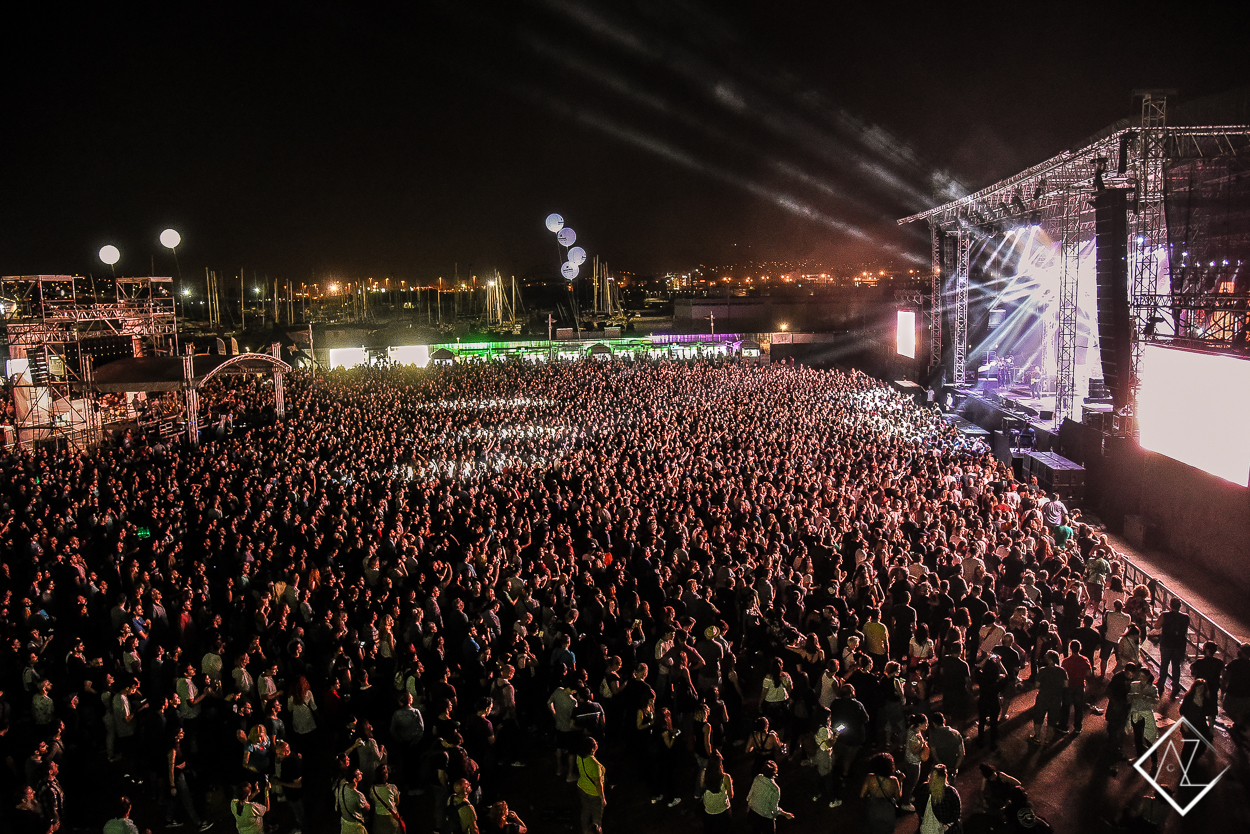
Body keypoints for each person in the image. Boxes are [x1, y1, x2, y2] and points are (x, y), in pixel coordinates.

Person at [1152, 599, 1190, 699]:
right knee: (1176, 665)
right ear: (1180, 606)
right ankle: (1175, 685)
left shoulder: (1165, 615)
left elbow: (1157, 626)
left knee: (1164, 664)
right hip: (1179, 645)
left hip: (1167, 643)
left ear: (1170, 605)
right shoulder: (1185, 617)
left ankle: (1161, 683)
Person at [745, 760, 793, 833]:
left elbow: (751, 793)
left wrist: (749, 804)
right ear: (775, 772)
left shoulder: (758, 778)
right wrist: (785, 814)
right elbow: (773, 808)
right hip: (766, 818)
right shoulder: (775, 789)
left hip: (754, 813)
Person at [860, 753, 902, 834]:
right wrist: (901, 781)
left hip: (873, 808)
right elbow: (898, 797)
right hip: (888, 811)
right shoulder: (894, 780)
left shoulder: (870, 777)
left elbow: (862, 795)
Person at [574, 736, 606, 834]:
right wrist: (602, 798)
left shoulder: (579, 756)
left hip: (582, 787)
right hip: (594, 793)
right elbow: (598, 784)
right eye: (595, 743)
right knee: (596, 817)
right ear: (592, 749)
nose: (597, 743)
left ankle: (585, 831)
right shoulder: (595, 765)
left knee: (585, 811)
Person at [917, 764, 961, 834]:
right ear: (945, 777)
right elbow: (956, 811)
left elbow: (918, 805)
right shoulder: (950, 792)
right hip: (945, 828)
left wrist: (922, 817)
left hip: (926, 826)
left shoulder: (924, 788)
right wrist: (948, 825)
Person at [701, 750, 733, 834]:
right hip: (723, 810)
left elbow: (702, 786)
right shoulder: (725, 777)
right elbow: (730, 795)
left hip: (709, 811)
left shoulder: (704, 773)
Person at [335, 768, 370, 834]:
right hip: (356, 827)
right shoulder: (358, 795)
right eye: (359, 774)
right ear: (354, 780)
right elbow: (367, 808)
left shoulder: (343, 787)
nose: (361, 774)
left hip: (345, 824)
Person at [369, 765, 402, 834]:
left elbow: (373, 802)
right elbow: (397, 802)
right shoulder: (393, 788)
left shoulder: (373, 789)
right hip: (392, 817)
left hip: (379, 817)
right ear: (386, 776)